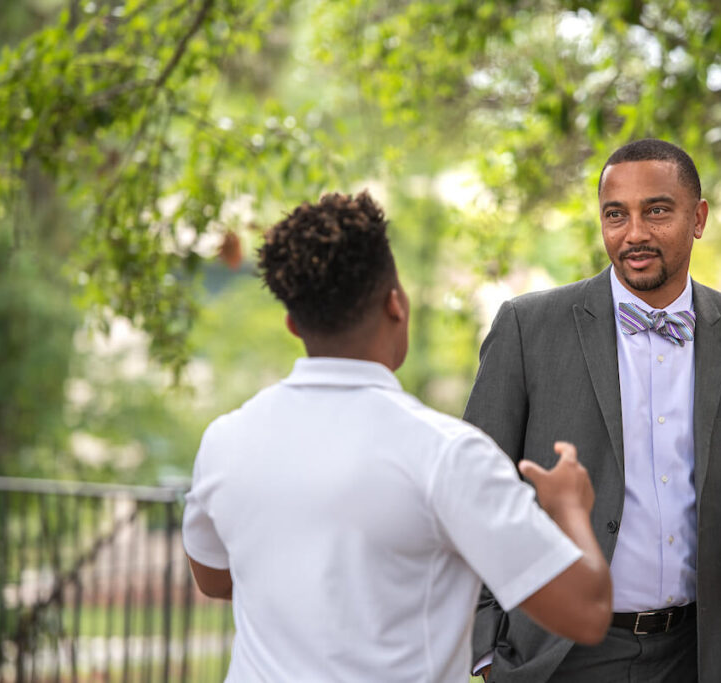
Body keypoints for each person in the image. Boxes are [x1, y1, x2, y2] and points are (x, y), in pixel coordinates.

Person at [181, 191, 613, 682]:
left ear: (293, 324)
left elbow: (213, 577)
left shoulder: (224, 440)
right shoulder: (446, 455)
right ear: (396, 304)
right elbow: (586, 612)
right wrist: (569, 509)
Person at [465, 139, 721, 683]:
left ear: (698, 218)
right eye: (616, 215)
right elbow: (474, 490)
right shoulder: (528, 328)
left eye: (656, 211)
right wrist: (486, 651)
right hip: (558, 654)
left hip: (696, 654)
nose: (633, 233)